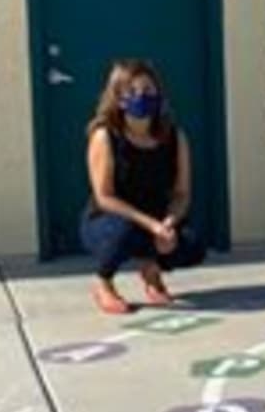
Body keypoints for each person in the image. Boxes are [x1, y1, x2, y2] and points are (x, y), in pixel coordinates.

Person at [82, 60, 206, 314]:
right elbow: (104, 197)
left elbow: (182, 193)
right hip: (109, 220)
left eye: (148, 90)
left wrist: (169, 223)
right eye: (132, 91)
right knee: (123, 233)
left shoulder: (174, 136)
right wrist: (151, 225)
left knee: (191, 244)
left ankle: (152, 269)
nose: (142, 96)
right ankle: (103, 282)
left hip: (157, 218)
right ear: (118, 98)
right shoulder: (105, 135)